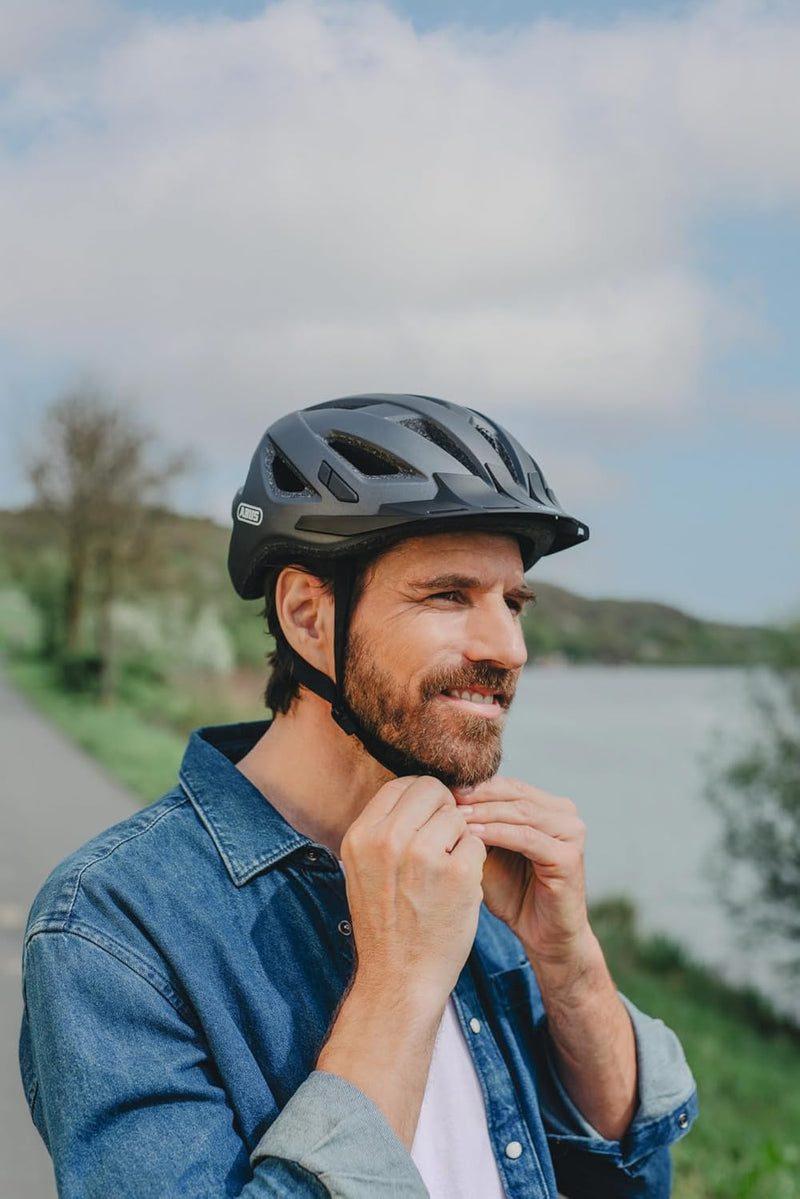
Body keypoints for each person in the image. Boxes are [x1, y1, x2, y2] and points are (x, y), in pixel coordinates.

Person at [20, 393, 697, 1198]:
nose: (507, 646)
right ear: (309, 617)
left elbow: (629, 1182)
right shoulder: (113, 930)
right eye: (449, 595)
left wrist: (571, 968)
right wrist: (398, 985)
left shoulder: (481, 881)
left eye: (513, 601)